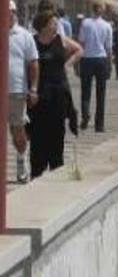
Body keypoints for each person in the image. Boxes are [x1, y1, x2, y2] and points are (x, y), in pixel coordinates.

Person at [27, 10, 82, 178]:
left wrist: (67, 64)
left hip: (58, 95)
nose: (56, 25)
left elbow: (79, 50)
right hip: (38, 96)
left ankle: (56, 169)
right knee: (37, 136)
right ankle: (37, 172)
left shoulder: (60, 40)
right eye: (52, 23)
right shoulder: (33, 42)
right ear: (43, 26)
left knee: (57, 134)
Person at [8, 0, 39, 183]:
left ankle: (21, 160)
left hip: (17, 91)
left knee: (18, 130)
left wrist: (33, 88)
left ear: (15, 13)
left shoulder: (24, 36)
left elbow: (34, 63)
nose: (8, 14)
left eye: (10, 11)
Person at [77, 3, 112, 132]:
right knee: (101, 93)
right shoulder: (107, 25)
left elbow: (81, 42)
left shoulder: (85, 23)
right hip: (101, 59)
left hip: (87, 58)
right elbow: (108, 48)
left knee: (85, 91)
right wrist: (109, 65)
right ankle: (99, 125)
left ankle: (85, 114)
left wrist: (77, 63)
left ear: (92, 10)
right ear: (102, 11)